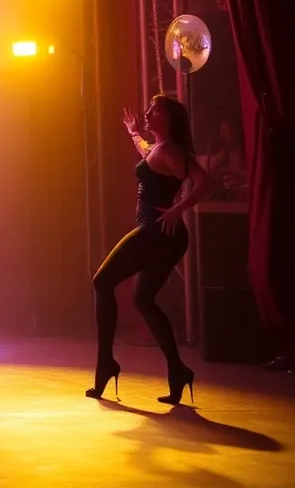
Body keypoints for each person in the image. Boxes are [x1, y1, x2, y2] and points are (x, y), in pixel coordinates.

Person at [86, 96, 215, 404]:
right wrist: (133, 133)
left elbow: (207, 183)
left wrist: (178, 208)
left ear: (168, 117)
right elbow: (146, 151)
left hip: (156, 232)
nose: (146, 112)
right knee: (143, 299)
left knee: (102, 282)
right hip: (168, 236)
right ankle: (178, 370)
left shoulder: (169, 150)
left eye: (154, 110)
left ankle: (106, 364)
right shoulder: (161, 149)